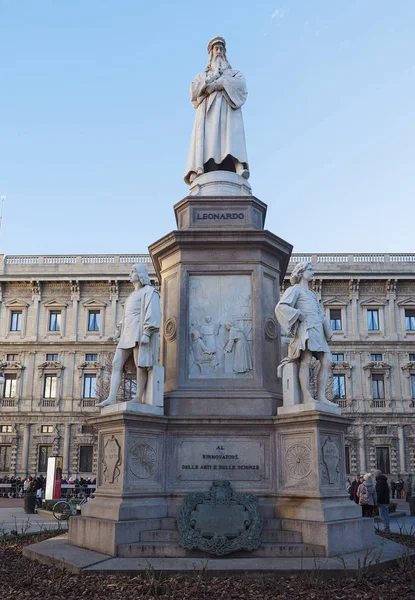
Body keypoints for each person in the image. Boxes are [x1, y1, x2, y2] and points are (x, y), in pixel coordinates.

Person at [185, 37, 249, 185]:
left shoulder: (234, 74)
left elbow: (241, 85)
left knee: (230, 138)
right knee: (208, 139)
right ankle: (199, 168)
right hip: (208, 114)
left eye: (221, 49)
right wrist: (211, 79)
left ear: (225, 52)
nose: (219, 51)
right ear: (211, 53)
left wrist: (220, 83)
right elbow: (194, 91)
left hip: (228, 113)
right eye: (216, 49)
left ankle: (238, 164)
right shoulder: (203, 76)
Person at [96, 264, 161, 407]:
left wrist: (147, 333)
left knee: (140, 364)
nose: (130, 275)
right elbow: (126, 316)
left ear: (140, 274)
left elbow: (153, 311)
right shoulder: (131, 296)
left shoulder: (150, 291)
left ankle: (138, 396)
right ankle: (112, 397)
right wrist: (117, 333)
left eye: (133, 272)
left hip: (139, 332)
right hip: (127, 334)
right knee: (116, 363)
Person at [275, 261, 335, 405]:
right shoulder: (294, 290)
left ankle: (321, 397)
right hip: (306, 329)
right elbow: (280, 307)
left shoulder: (312, 294)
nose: (312, 272)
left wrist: (328, 331)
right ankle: (307, 396)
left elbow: (320, 314)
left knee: (327, 361)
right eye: (310, 269)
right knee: (306, 361)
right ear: (301, 272)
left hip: (318, 329)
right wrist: (298, 314)